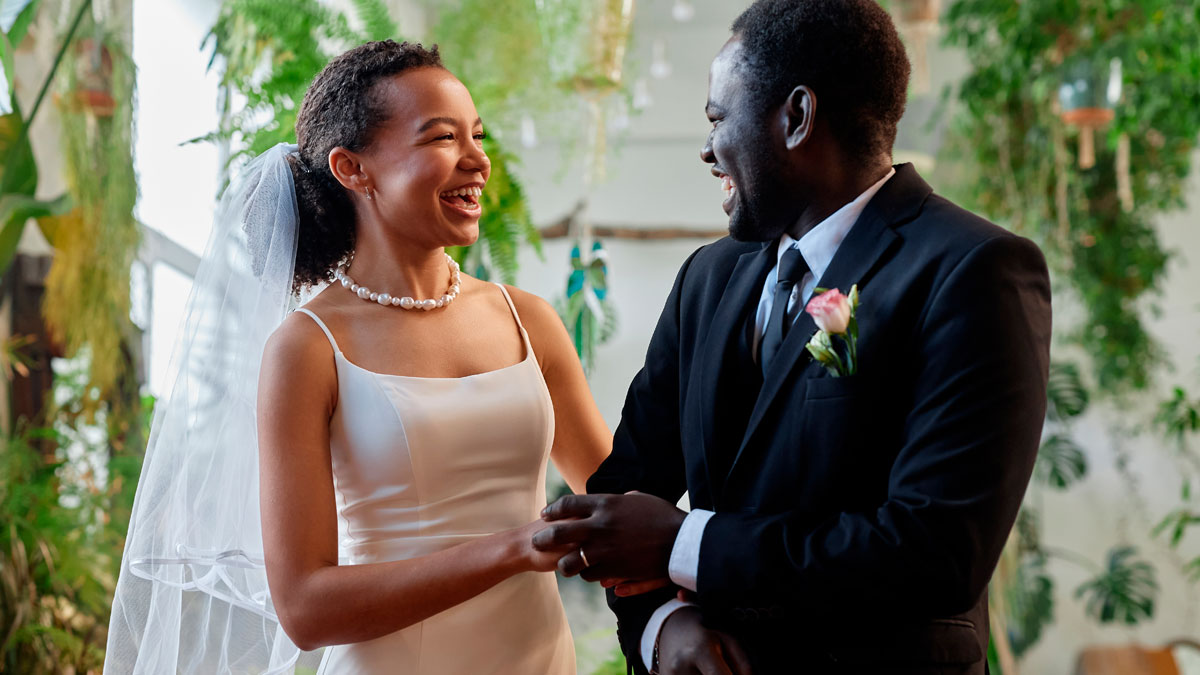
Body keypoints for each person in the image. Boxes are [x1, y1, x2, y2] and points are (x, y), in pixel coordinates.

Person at [534, 1, 1053, 673]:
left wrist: (688, 541)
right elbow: (627, 494)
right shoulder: (708, 278)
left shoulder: (970, 269)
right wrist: (666, 623)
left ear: (797, 117)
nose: (705, 148)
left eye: (718, 119)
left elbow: (938, 550)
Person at [105, 40, 611, 674]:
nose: (478, 160)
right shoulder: (308, 347)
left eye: (477, 136)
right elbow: (307, 609)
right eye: (441, 139)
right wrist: (513, 549)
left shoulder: (529, 319)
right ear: (353, 169)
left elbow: (617, 500)